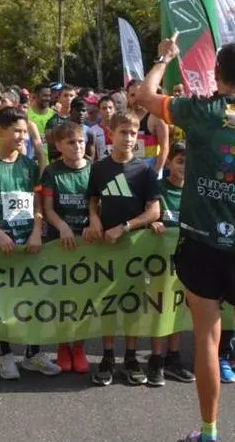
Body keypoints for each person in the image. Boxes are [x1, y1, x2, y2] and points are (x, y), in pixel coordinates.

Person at [134, 39, 235, 442]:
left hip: (201, 240)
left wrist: (165, 57)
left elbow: (144, 96)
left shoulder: (198, 111)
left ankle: (209, 437)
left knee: (206, 338)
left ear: (217, 75)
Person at [0, 106, 61, 380]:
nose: (22, 137)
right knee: (4, 302)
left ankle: (33, 354)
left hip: (29, 245)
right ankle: (6, 354)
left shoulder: (30, 166)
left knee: (32, 300)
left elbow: (38, 204)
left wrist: (36, 231)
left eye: (25, 132)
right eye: (17, 131)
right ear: (1, 131)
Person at [84, 110, 162, 387]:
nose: (129, 138)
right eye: (123, 132)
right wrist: (94, 219)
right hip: (105, 249)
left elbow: (154, 211)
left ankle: (130, 357)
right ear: (111, 134)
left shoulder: (144, 170)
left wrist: (125, 227)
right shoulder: (100, 168)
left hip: (134, 249)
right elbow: (93, 200)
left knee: (132, 305)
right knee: (107, 304)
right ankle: (107, 356)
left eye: (133, 132)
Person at [41, 122, 91, 375]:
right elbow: (48, 209)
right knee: (61, 297)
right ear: (59, 146)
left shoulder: (94, 169)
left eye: (81, 141)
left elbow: (98, 205)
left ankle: (79, 347)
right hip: (59, 242)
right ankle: (63, 346)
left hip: (88, 244)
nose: (78, 147)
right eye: (71, 143)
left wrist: (95, 224)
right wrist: (62, 227)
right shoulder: (52, 171)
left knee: (82, 298)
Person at [149, 141, 197, 385]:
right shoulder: (158, 188)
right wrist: (152, 224)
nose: (184, 167)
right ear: (168, 162)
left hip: (188, 260)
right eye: (179, 161)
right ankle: (156, 359)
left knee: (178, 307)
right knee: (161, 308)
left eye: (189, 163)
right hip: (161, 261)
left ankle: (173, 357)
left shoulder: (196, 190)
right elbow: (149, 214)